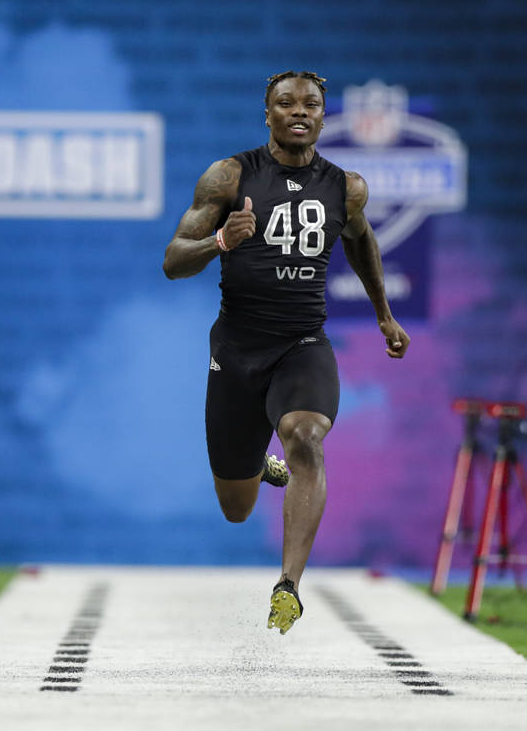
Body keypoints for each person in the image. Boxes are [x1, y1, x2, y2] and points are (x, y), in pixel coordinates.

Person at [162, 70, 410, 634]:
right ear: (266, 114)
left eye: (312, 104)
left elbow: (362, 240)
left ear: (324, 116)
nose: (300, 111)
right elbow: (173, 261)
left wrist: (383, 314)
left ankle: (288, 587)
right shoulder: (229, 177)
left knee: (306, 435)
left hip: (302, 345)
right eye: (285, 103)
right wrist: (222, 240)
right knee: (236, 506)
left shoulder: (346, 187)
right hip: (236, 350)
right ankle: (258, 467)